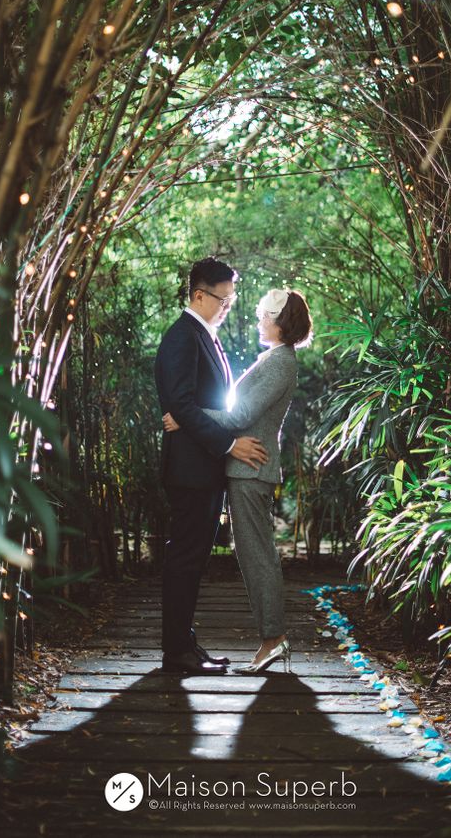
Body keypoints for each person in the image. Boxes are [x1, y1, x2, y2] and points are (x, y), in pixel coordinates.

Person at [163, 287, 313, 675]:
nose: (258, 320)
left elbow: (240, 413)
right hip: (246, 470)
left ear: (280, 323)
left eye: (265, 315)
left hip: (252, 470)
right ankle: (271, 637)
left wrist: (187, 415)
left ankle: (273, 638)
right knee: (252, 555)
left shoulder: (281, 362)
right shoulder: (274, 358)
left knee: (256, 555)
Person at [154, 257, 269, 676]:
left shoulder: (205, 336)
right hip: (190, 468)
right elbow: (180, 402)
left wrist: (195, 417)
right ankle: (176, 652)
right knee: (184, 557)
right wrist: (229, 444)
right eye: (223, 299)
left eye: (231, 299)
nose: (228, 306)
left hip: (201, 465)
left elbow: (198, 404)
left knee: (193, 557)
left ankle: (186, 644)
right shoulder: (183, 336)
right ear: (199, 295)